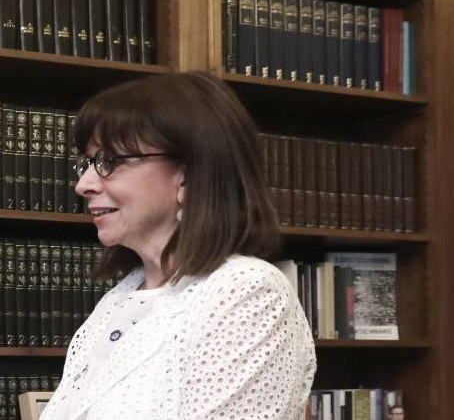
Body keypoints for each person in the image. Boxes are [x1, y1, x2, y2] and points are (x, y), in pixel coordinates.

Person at [40, 72, 316, 419]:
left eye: (110, 161)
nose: (84, 184)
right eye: (87, 163)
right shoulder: (116, 302)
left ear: (188, 174)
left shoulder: (248, 292)